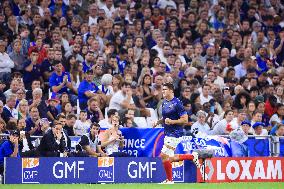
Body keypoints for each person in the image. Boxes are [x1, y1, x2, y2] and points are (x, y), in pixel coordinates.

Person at [152, 83, 203, 184]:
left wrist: (172, 122)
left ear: (171, 91)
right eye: (163, 90)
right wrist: (158, 122)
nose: (163, 91)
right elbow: (165, 117)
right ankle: (192, 156)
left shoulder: (177, 103)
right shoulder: (164, 102)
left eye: (165, 89)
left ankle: (170, 181)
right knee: (169, 158)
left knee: (163, 155)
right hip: (167, 132)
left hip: (176, 133)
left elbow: (185, 120)